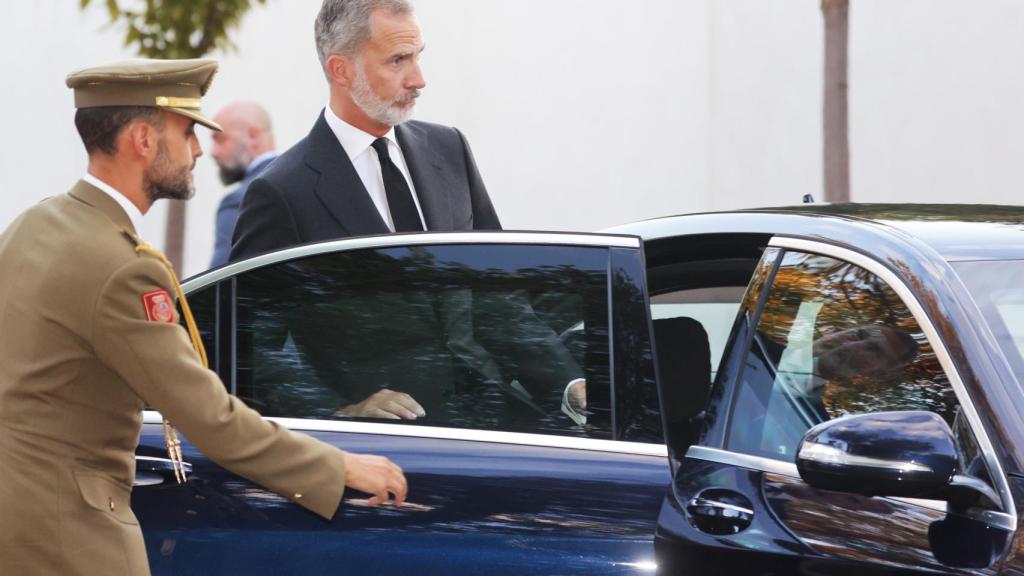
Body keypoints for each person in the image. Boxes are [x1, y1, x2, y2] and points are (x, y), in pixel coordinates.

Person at [0, 58, 406, 576]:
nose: (197, 149)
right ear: (143, 139)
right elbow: (209, 417)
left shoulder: (34, 224)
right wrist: (339, 465)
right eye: (188, 132)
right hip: (70, 535)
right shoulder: (124, 268)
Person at [228, 0, 500, 263]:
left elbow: (497, 273)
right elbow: (250, 295)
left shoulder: (450, 148)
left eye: (418, 56)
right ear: (340, 70)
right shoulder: (280, 192)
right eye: (398, 60)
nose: (418, 80)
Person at [209, 100, 277, 268]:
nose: (213, 152)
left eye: (221, 139)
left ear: (253, 136)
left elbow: (221, 277)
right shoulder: (303, 183)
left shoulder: (239, 201)